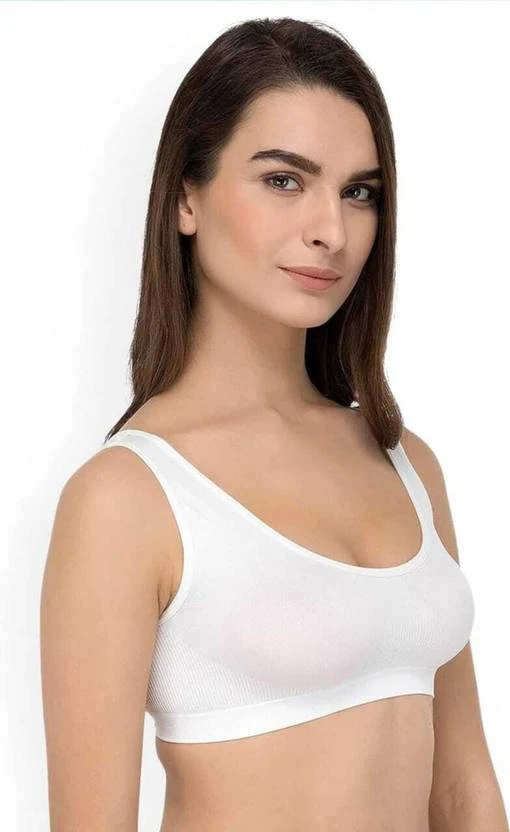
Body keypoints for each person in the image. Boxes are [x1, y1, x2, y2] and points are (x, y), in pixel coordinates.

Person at [39, 15, 508, 832]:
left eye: (359, 192)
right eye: (285, 180)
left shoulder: (405, 463)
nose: (332, 230)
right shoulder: (127, 498)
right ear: (186, 197)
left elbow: (465, 792)